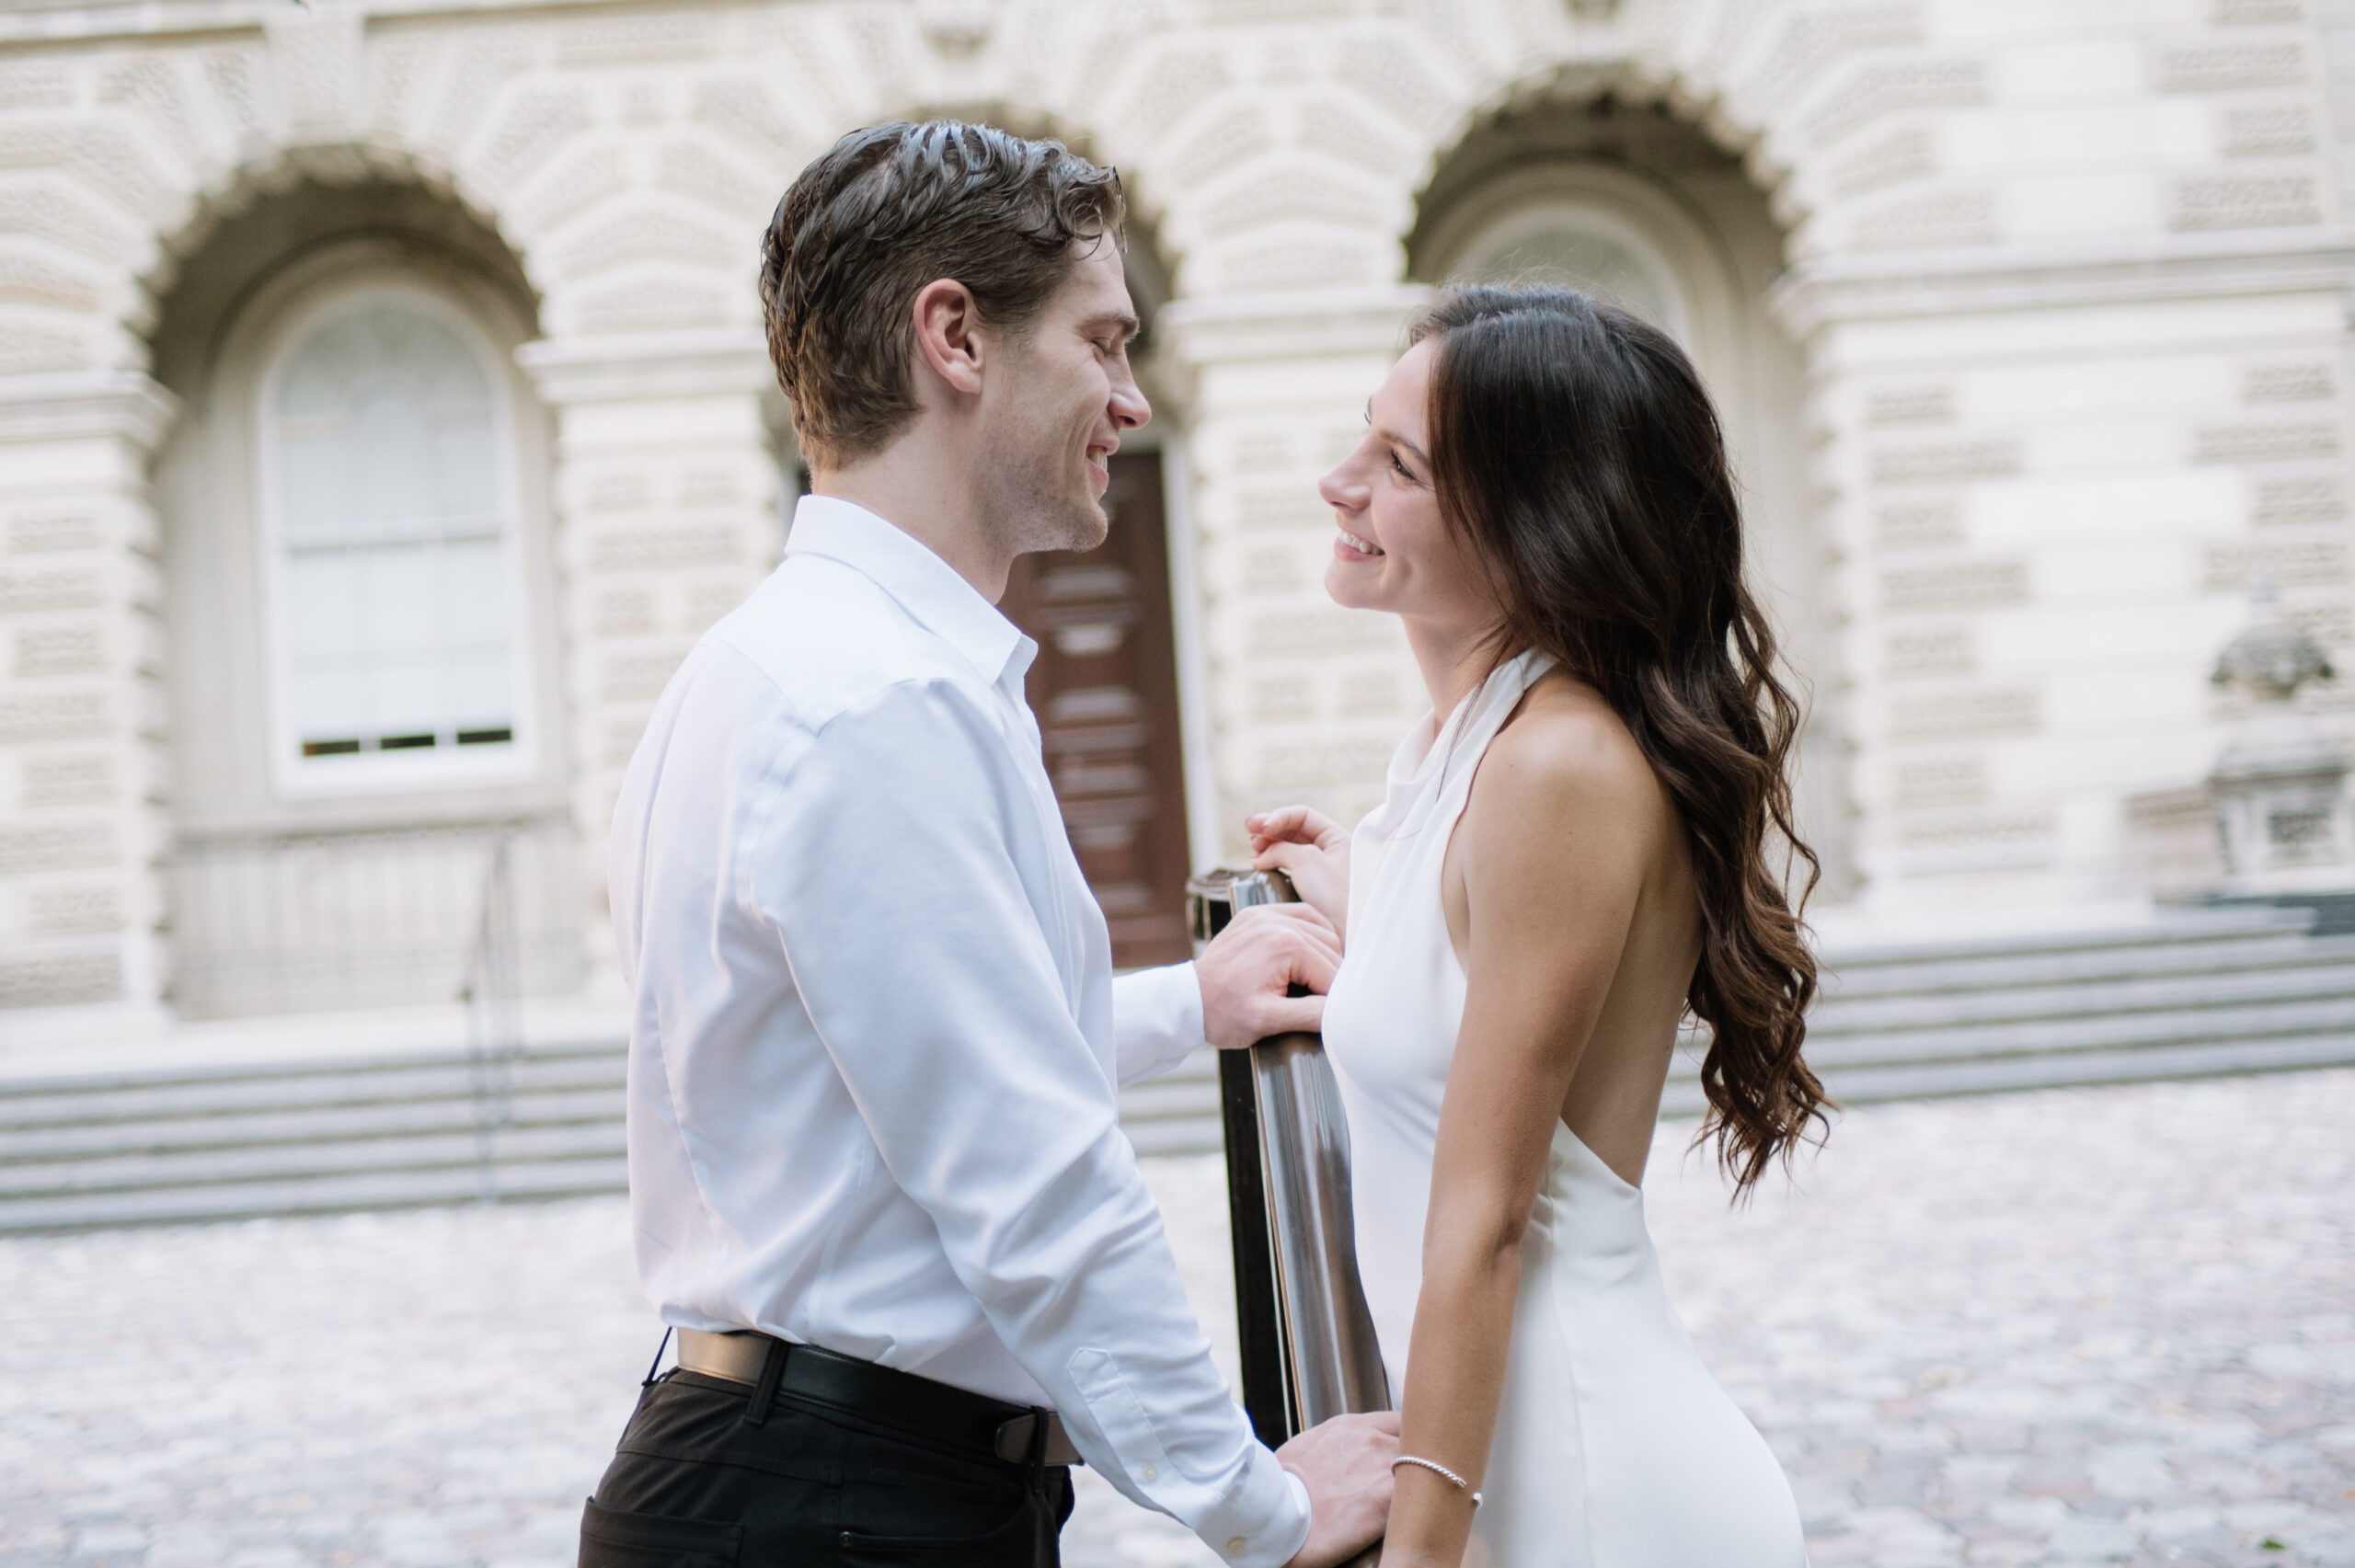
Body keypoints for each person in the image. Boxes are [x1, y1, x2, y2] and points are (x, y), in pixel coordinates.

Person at [583, 121, 1397, 1568]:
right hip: (842, 1509)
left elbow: (882, 1071)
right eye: (1103, 343)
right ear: (954, 336)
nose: (1133, 402)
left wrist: (1182, 1006)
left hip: (805, 1480)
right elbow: (1032, 1179)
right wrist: (1261, 1505)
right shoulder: (875, 701)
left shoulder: (777, 663)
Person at [1247, 285, 1828, 1566]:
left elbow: (1488, 1221)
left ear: (1535, 527)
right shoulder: (1469, 748)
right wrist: (1367, 911)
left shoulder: (1554, 766)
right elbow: (1472, 980)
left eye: (1396, 464)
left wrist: (1419, 1548)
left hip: (1583, 1483)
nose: (1336, 482)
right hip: (1526, 1463)